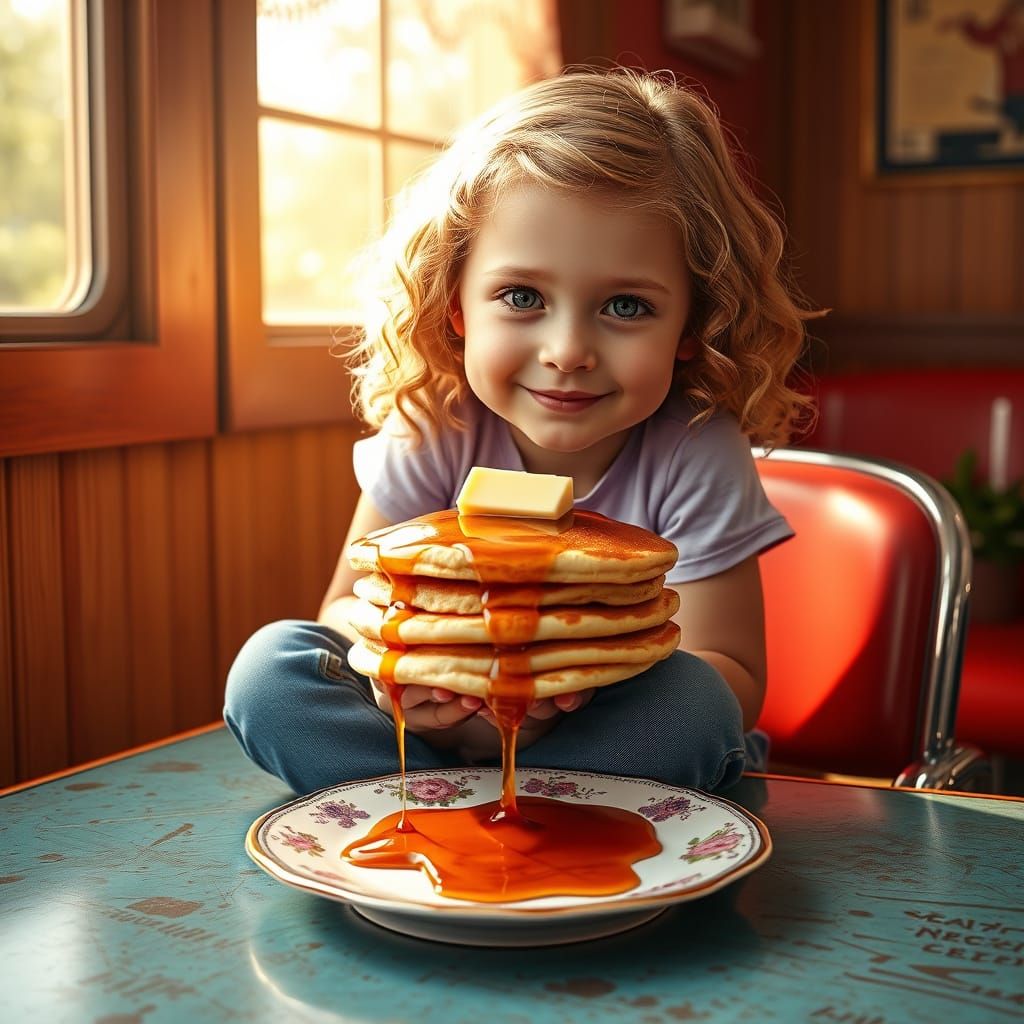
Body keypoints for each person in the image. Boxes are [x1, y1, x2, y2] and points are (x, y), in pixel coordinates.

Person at [224, 67, 818, 796]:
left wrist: (569, 689)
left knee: (696, 703)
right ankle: (445, 806)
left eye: (626, 306)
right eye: (523, 296)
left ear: (693, 325)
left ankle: (519, 812)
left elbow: (731, 670)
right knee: (271, 669)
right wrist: (402, 673)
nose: (567, 349)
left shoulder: (696, 447)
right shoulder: (434, 425)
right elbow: (346, 610)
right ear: (457, 306)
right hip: (429, 743)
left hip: (611, 741)